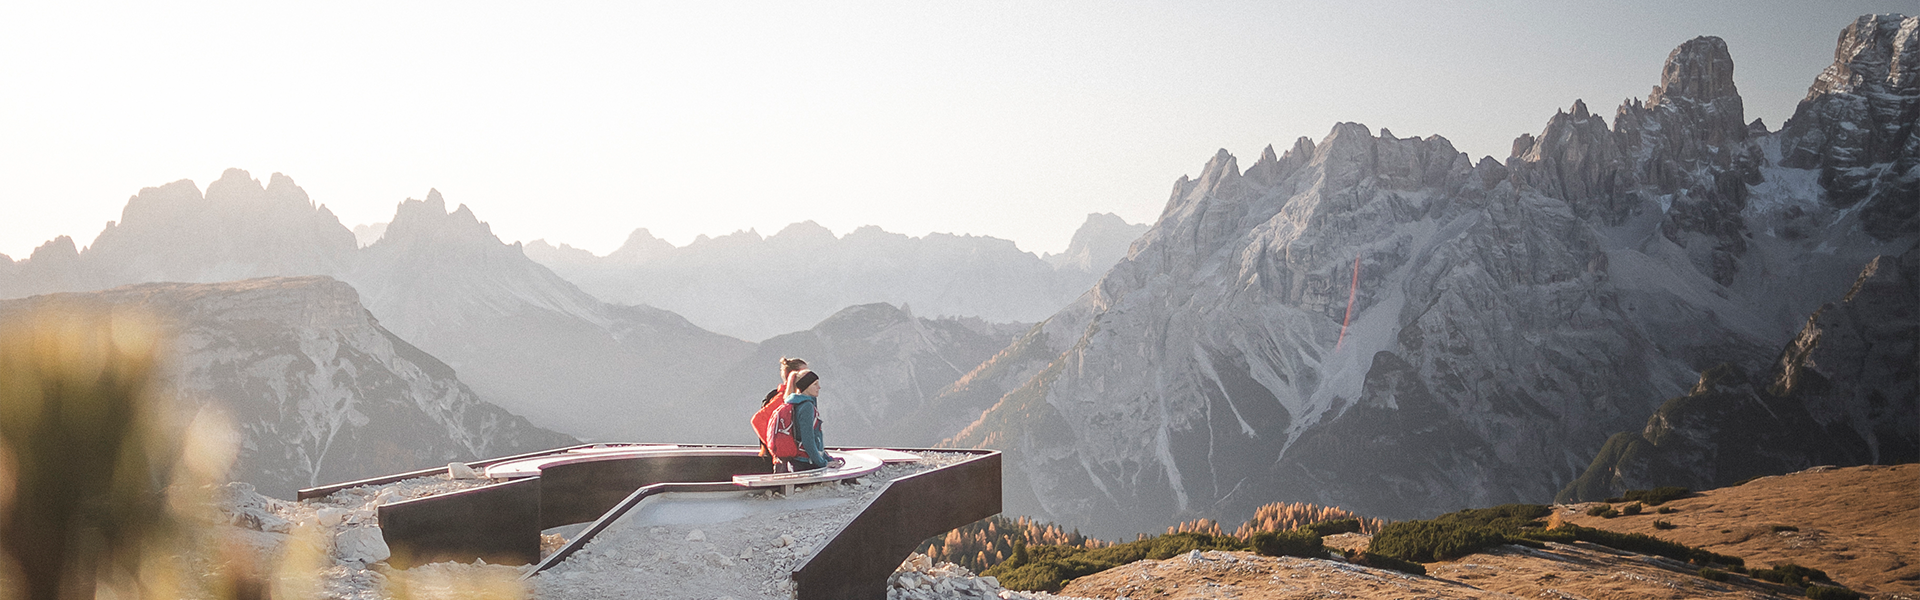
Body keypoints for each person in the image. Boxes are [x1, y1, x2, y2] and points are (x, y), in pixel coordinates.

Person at [781, 369, 840, 471]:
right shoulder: (806, 406)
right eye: (815, 384)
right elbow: (808, 440)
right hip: (806, 463)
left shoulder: (798, 403)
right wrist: (823, 463)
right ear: (806, 387)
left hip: (801, 460)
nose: (819, 387)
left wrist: (828, 458)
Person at [753, 357, 808, 461]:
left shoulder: (797, 398)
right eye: (804, 373)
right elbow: (758, 420)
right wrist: (777, 448)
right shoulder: (782, 399)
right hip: (786, 461)